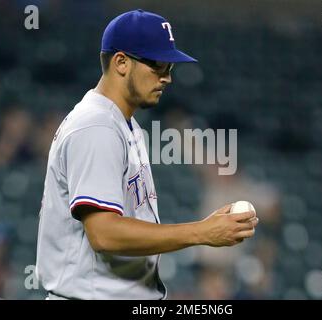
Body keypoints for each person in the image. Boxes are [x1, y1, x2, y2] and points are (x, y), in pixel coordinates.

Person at [35, 9, 258, 300]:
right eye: (158, 66)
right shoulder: (96, 127)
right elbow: (104, 233)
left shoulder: (122, 124)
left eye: (170, 68)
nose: (167, 78)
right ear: (121, 62)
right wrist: (201, 233)